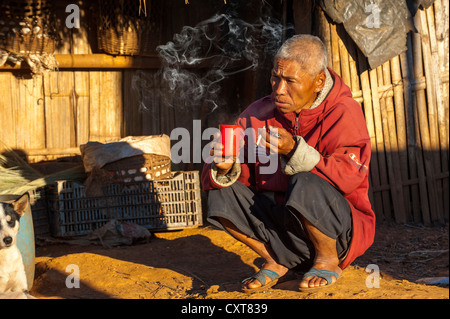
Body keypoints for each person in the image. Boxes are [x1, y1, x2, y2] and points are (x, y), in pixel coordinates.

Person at [201, 34, 375, 292]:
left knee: (305, 179)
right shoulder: (259, 113)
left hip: (336, 232)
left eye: (290, 81)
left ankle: (327, 261)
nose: (278, 89)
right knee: (220, 189)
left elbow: (350, 178)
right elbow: (225, 173)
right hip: (281, 233)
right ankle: (274, 260)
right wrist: (224, 166)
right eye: (275, 77)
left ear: (318, 81)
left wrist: (295, 150)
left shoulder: (343, 111)